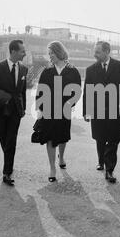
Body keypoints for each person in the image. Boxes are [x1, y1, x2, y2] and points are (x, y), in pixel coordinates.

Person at [83, 41, 120, 183]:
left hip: (115, 110)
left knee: (113, 139)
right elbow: (87, 91)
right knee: (100, 138)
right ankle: (101, 160)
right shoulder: (90, 70)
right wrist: (86, 111)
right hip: (97, 110)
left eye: (98, 52)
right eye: (95, 51)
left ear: (107, 52)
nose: (95, 54)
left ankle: (109, 170)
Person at [35, 41, 81, 182]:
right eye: (49, 54)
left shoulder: (72, 70)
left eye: (52, 53)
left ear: (59, 52)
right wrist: (40, 110)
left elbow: (78, 90)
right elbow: (40, 90)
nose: (50, 56)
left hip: (64, 109)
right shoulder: (47, 71)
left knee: (62, 136)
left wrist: (71, 103)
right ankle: (52, 168)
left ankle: (61, 156)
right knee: (50, 137)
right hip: (48, 109)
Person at [0, 40, 28, 186]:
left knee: (11, 140)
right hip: (0, 111)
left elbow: (22, 91)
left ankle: (7, 172)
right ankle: (8, 162)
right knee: (4, 139)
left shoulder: (24, 69)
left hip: (16, 111)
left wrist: (24, 108)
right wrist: (2, 98)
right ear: (13, 51)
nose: (25, 53)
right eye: (22, 51)